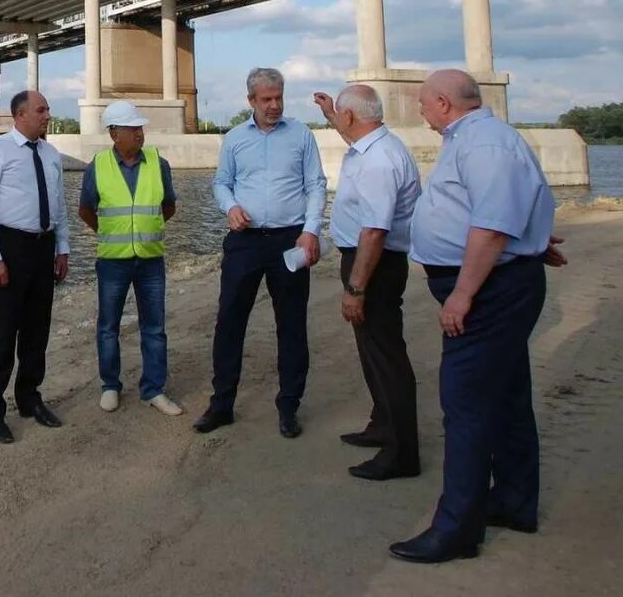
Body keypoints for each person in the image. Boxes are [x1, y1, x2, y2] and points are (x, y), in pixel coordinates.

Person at [389, 69, 568, 564]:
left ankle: (457, 530)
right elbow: (501, 208)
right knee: (507, 396)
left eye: (423, 103)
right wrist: (530, 243)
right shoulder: (476, 138)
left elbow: (491, 224)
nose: (420, 111)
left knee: (464, 404)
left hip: (489, 293)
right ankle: (512, 502)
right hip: (501, 281)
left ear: (444, 103)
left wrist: (463, 294)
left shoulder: (484, 143)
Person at [195, 67, 327, 438]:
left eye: (278, 97)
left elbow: (316, 185)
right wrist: (230, 207)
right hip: (245, 241)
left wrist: (311, 231)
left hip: (290, 240)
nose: (274, 105)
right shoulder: (235, 138)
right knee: (229, 322)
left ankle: (289, 406)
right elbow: (222, 182)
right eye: (266, 99)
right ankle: (222, 404)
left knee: (291, 325)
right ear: (250, 100)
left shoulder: (301, 135)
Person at [313, 84, 422, 481]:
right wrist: (330, 114)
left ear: (352, 116)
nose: (338, 118)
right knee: (373, 350)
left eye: (340, 112)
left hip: (375, 265)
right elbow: (350, 130)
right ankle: (383, 424)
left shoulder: (379, 161)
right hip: (371, 261)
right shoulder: (373, 144)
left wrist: (356, 289)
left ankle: (401, 453)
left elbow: (375, 230)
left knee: (385, 354)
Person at [0, 89, 70, 445]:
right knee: (3, 331)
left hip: (43, 248)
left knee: (37, 329)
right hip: (11, 247)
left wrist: (62, 249)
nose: (47, 116)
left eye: (47, 109)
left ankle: (29, 398)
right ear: (20, 115)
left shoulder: (51, 154)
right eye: (41, 110)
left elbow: (58, 206)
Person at [77, 100, 183, 417]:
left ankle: (153, 389)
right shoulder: (98, 167)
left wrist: (146, 230)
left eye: (140, 127)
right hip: (113, 261)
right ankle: (111, 386)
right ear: (114, 134)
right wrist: (110, 233)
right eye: (132, 128)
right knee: (108, 326)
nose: (139, 133)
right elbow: (85, 210)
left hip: (151, 259)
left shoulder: (158, 163)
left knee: (155, 327)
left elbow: (169, 206)